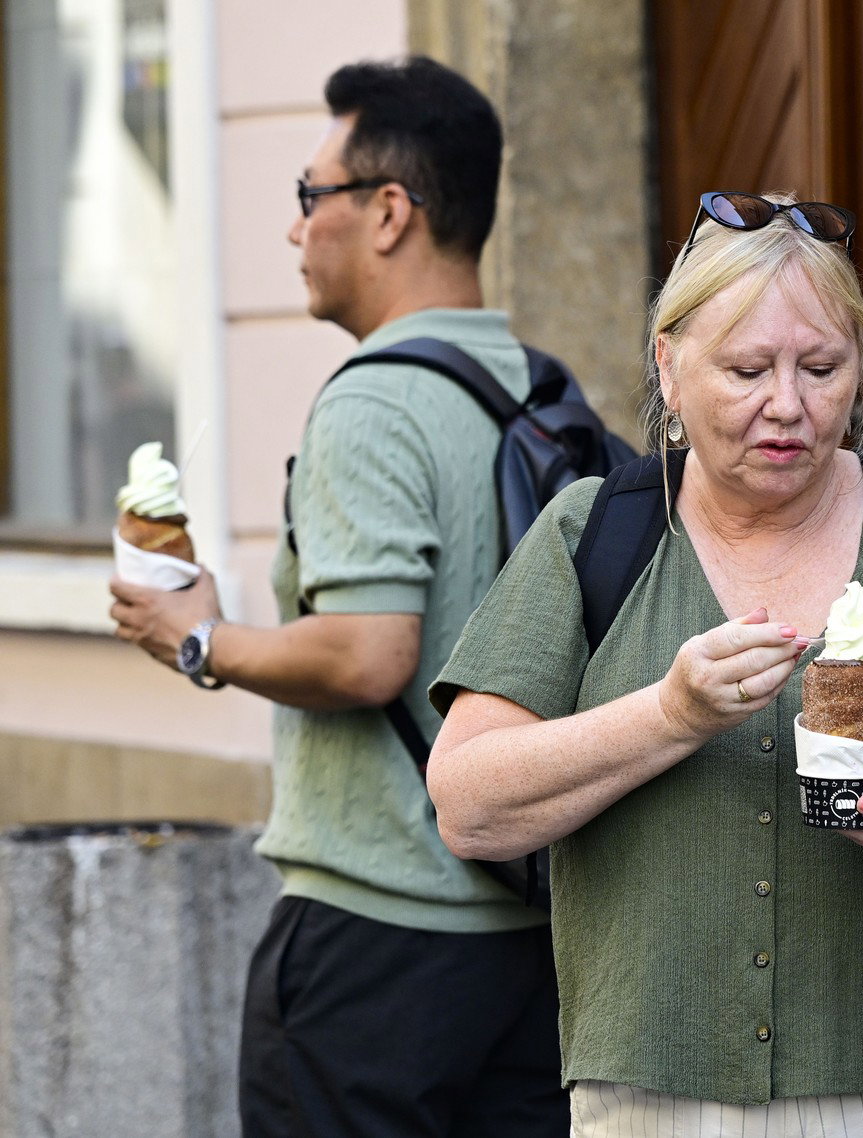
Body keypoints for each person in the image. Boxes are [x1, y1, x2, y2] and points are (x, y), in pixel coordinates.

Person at [424, 189, 863, 1137]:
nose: (786, 405)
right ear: (669, 367)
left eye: (821, 367)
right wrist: (668, 715)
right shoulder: (596, 534)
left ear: (862, 371)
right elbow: (467, 804)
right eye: (746, 369)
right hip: (655, 1104)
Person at [108, 57, 566, 1135]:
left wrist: (198, 635)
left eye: (312, 197)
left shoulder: (372, 402)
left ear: (391, 211)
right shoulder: (540, 389)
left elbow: (369, 654)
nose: (295, 229)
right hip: (527, 931)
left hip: (375, 933)